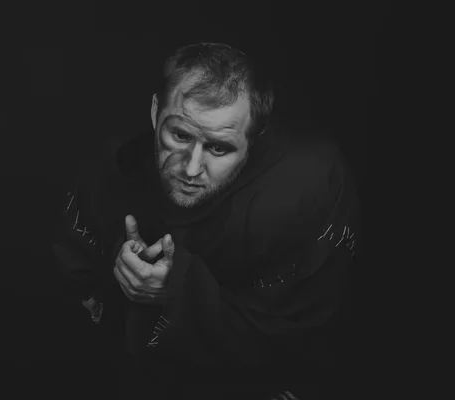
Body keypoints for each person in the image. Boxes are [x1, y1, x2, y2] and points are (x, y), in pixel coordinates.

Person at [52, 42, 359, 399]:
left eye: (219, 148)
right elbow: (74, 298)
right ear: (154, 112)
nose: (191, 168)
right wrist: (118, 275)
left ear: (254, 138)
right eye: (180, 135)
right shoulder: (111, 168)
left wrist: (177, 290)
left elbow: (298, 342)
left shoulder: (311, 188)